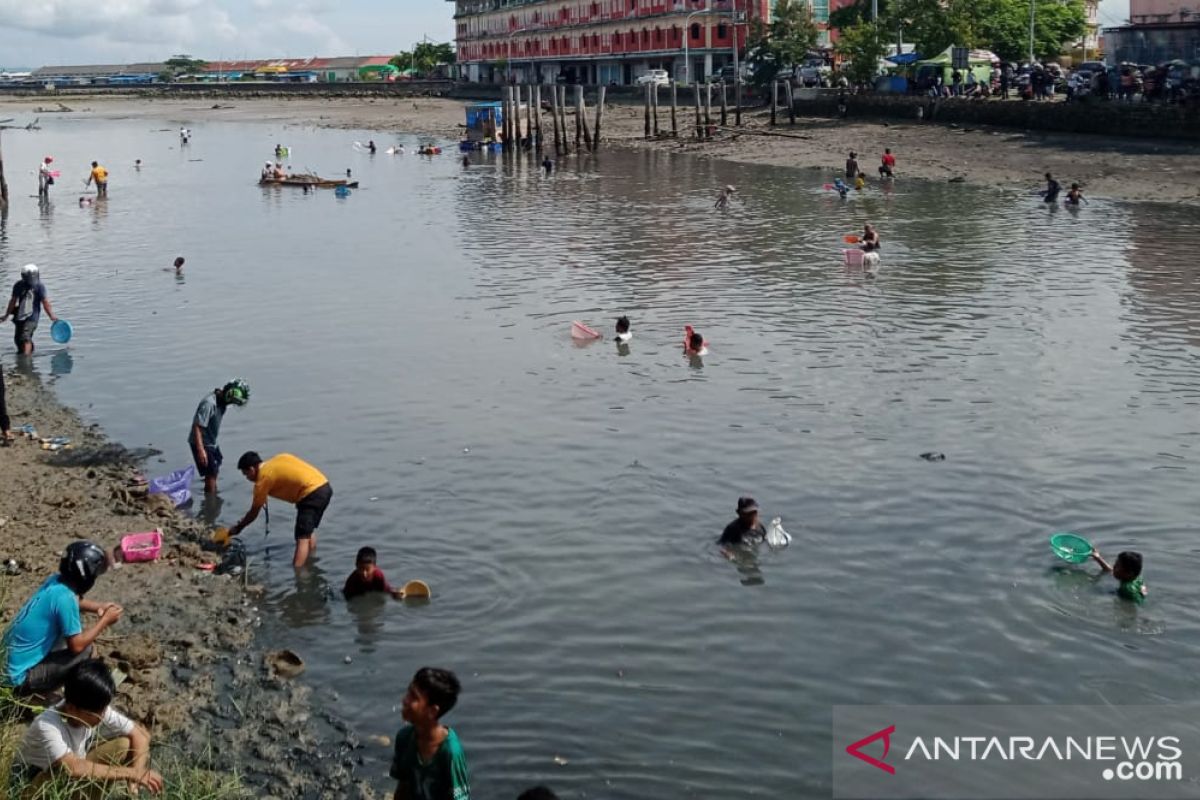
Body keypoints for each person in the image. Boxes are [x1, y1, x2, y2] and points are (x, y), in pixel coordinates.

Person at [16, 659, 164, 796]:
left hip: (70, 776)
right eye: (97, 713)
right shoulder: (47, 725)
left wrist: (136, 778)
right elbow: (73, 767)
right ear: (72, 708)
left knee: (125, 745)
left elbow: (140, 735)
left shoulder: (94, 709)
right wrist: (132, 773)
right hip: (36, 789)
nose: (103, 717)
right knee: (64, 770)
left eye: (104, 710)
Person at [2, 541, 121, 697]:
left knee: (68, 634)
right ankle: (69, 697)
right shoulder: (66, 598)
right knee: (87, 651)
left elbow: (75, 602)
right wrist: (104, 620)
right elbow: (77, 646)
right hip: (17, 680)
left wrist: (99, 606)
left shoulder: (56, 582)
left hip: (5, 664)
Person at [226, 451, 333, 568]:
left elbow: (253, 513)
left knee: (301, 537)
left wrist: (238, 528)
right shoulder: (279, 458)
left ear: (252, 469)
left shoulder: (263, 479)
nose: (247, 478)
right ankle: (311, 560)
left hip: (310, 493)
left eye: (246, 474)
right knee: (308, 531)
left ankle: (299, 573)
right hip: (323, 486)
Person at [390, 667, 471, 800]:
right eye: (408, 693)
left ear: (432, 711)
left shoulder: (450, 752)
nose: (405, 700)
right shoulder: (404, 738)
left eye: (414, 697)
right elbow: (402, 787)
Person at [189, 379, 250, 496]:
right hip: (201, 442)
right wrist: (200, 450)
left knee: (215, 467)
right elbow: (197, 426)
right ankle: (211, 501)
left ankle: (212, 491)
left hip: (211, 441)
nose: (232, 404)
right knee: (210, 473)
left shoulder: (221, 403)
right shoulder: (209, 404)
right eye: (233, 401)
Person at [1, 264, 59, 355]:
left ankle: (26, 359)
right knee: (18, 340)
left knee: (25, 337)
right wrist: (6, 315)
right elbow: (13, 301)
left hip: (32, 317)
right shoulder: (18, 285)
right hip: (20, 315)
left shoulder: (40, 287)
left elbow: (45, 302)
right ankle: (27, 352)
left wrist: (52, 316)